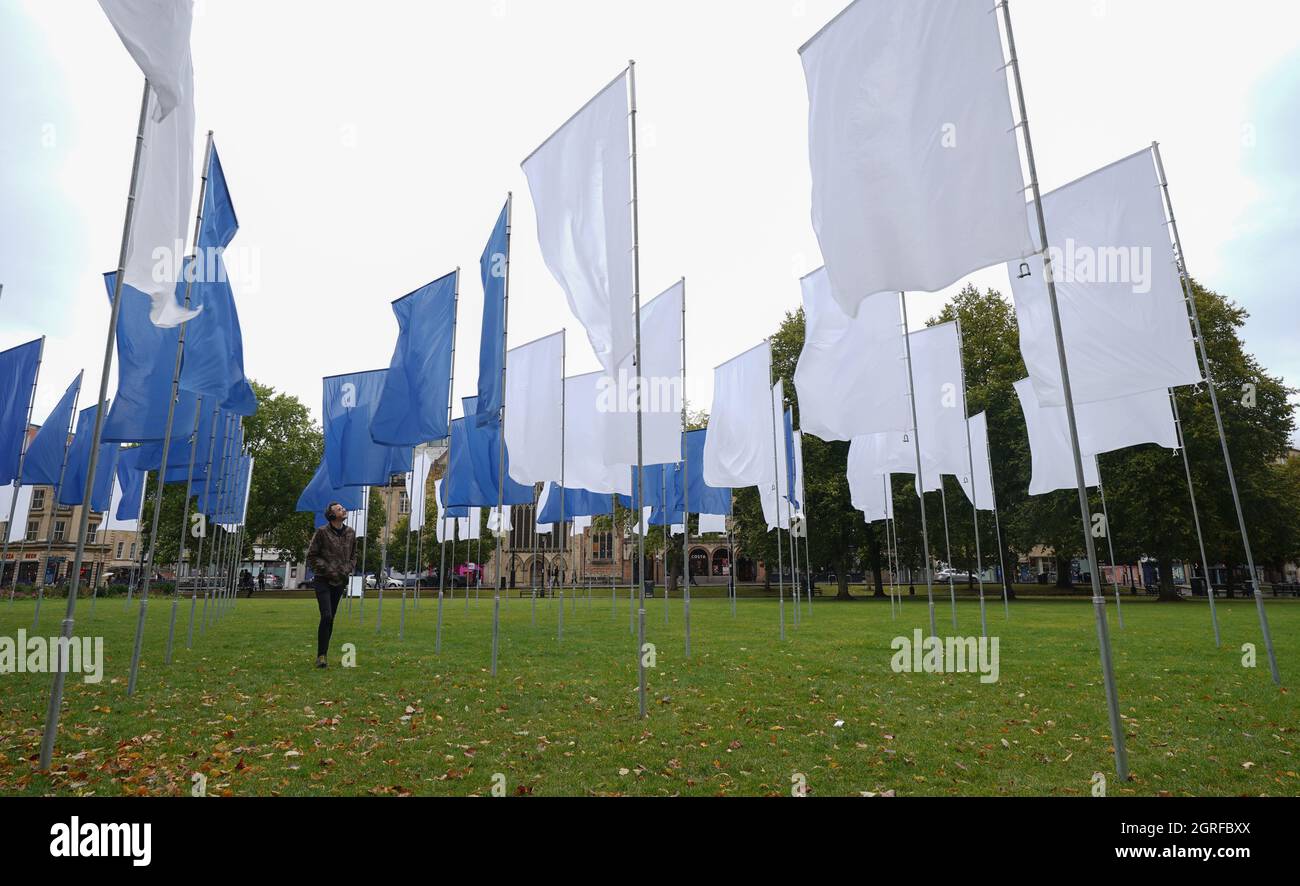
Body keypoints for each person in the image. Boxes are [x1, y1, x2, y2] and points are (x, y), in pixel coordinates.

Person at [306, 502, 358, 669]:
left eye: (342, 508)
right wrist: (328, 569)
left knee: (331, 618)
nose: (343, 510)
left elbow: (353, 555)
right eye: (339, 509)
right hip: (323, 580)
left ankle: (323, 654)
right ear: (331, 515)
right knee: (326, 615)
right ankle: (321, 655)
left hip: (340, 581)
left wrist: (348, 568)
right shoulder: (322, 532)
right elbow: (312, 555)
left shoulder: (350, 533)